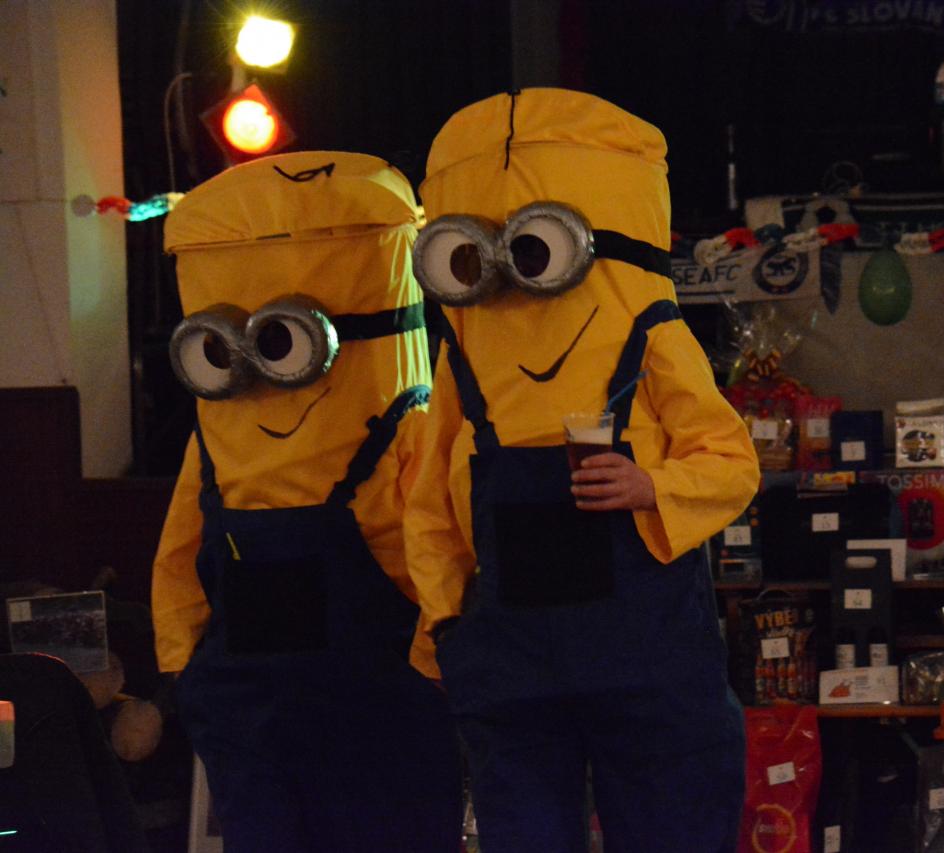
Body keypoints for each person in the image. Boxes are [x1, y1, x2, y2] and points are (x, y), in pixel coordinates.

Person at [409, 87, 760, 852]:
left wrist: (653, 486)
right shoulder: (461, 357)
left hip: (645, 656)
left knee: (673, 825)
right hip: (513, 666)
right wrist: (442, 623)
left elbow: (732, 460)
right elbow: (430, 500)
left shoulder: (653, 332)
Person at [151, 151, 462, 852]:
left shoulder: (408, 427)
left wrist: (432, 667)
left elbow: (441, 546)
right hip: (257, 724)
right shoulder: (217, 441)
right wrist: (189, 673)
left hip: (377, 718)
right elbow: (179, 557)